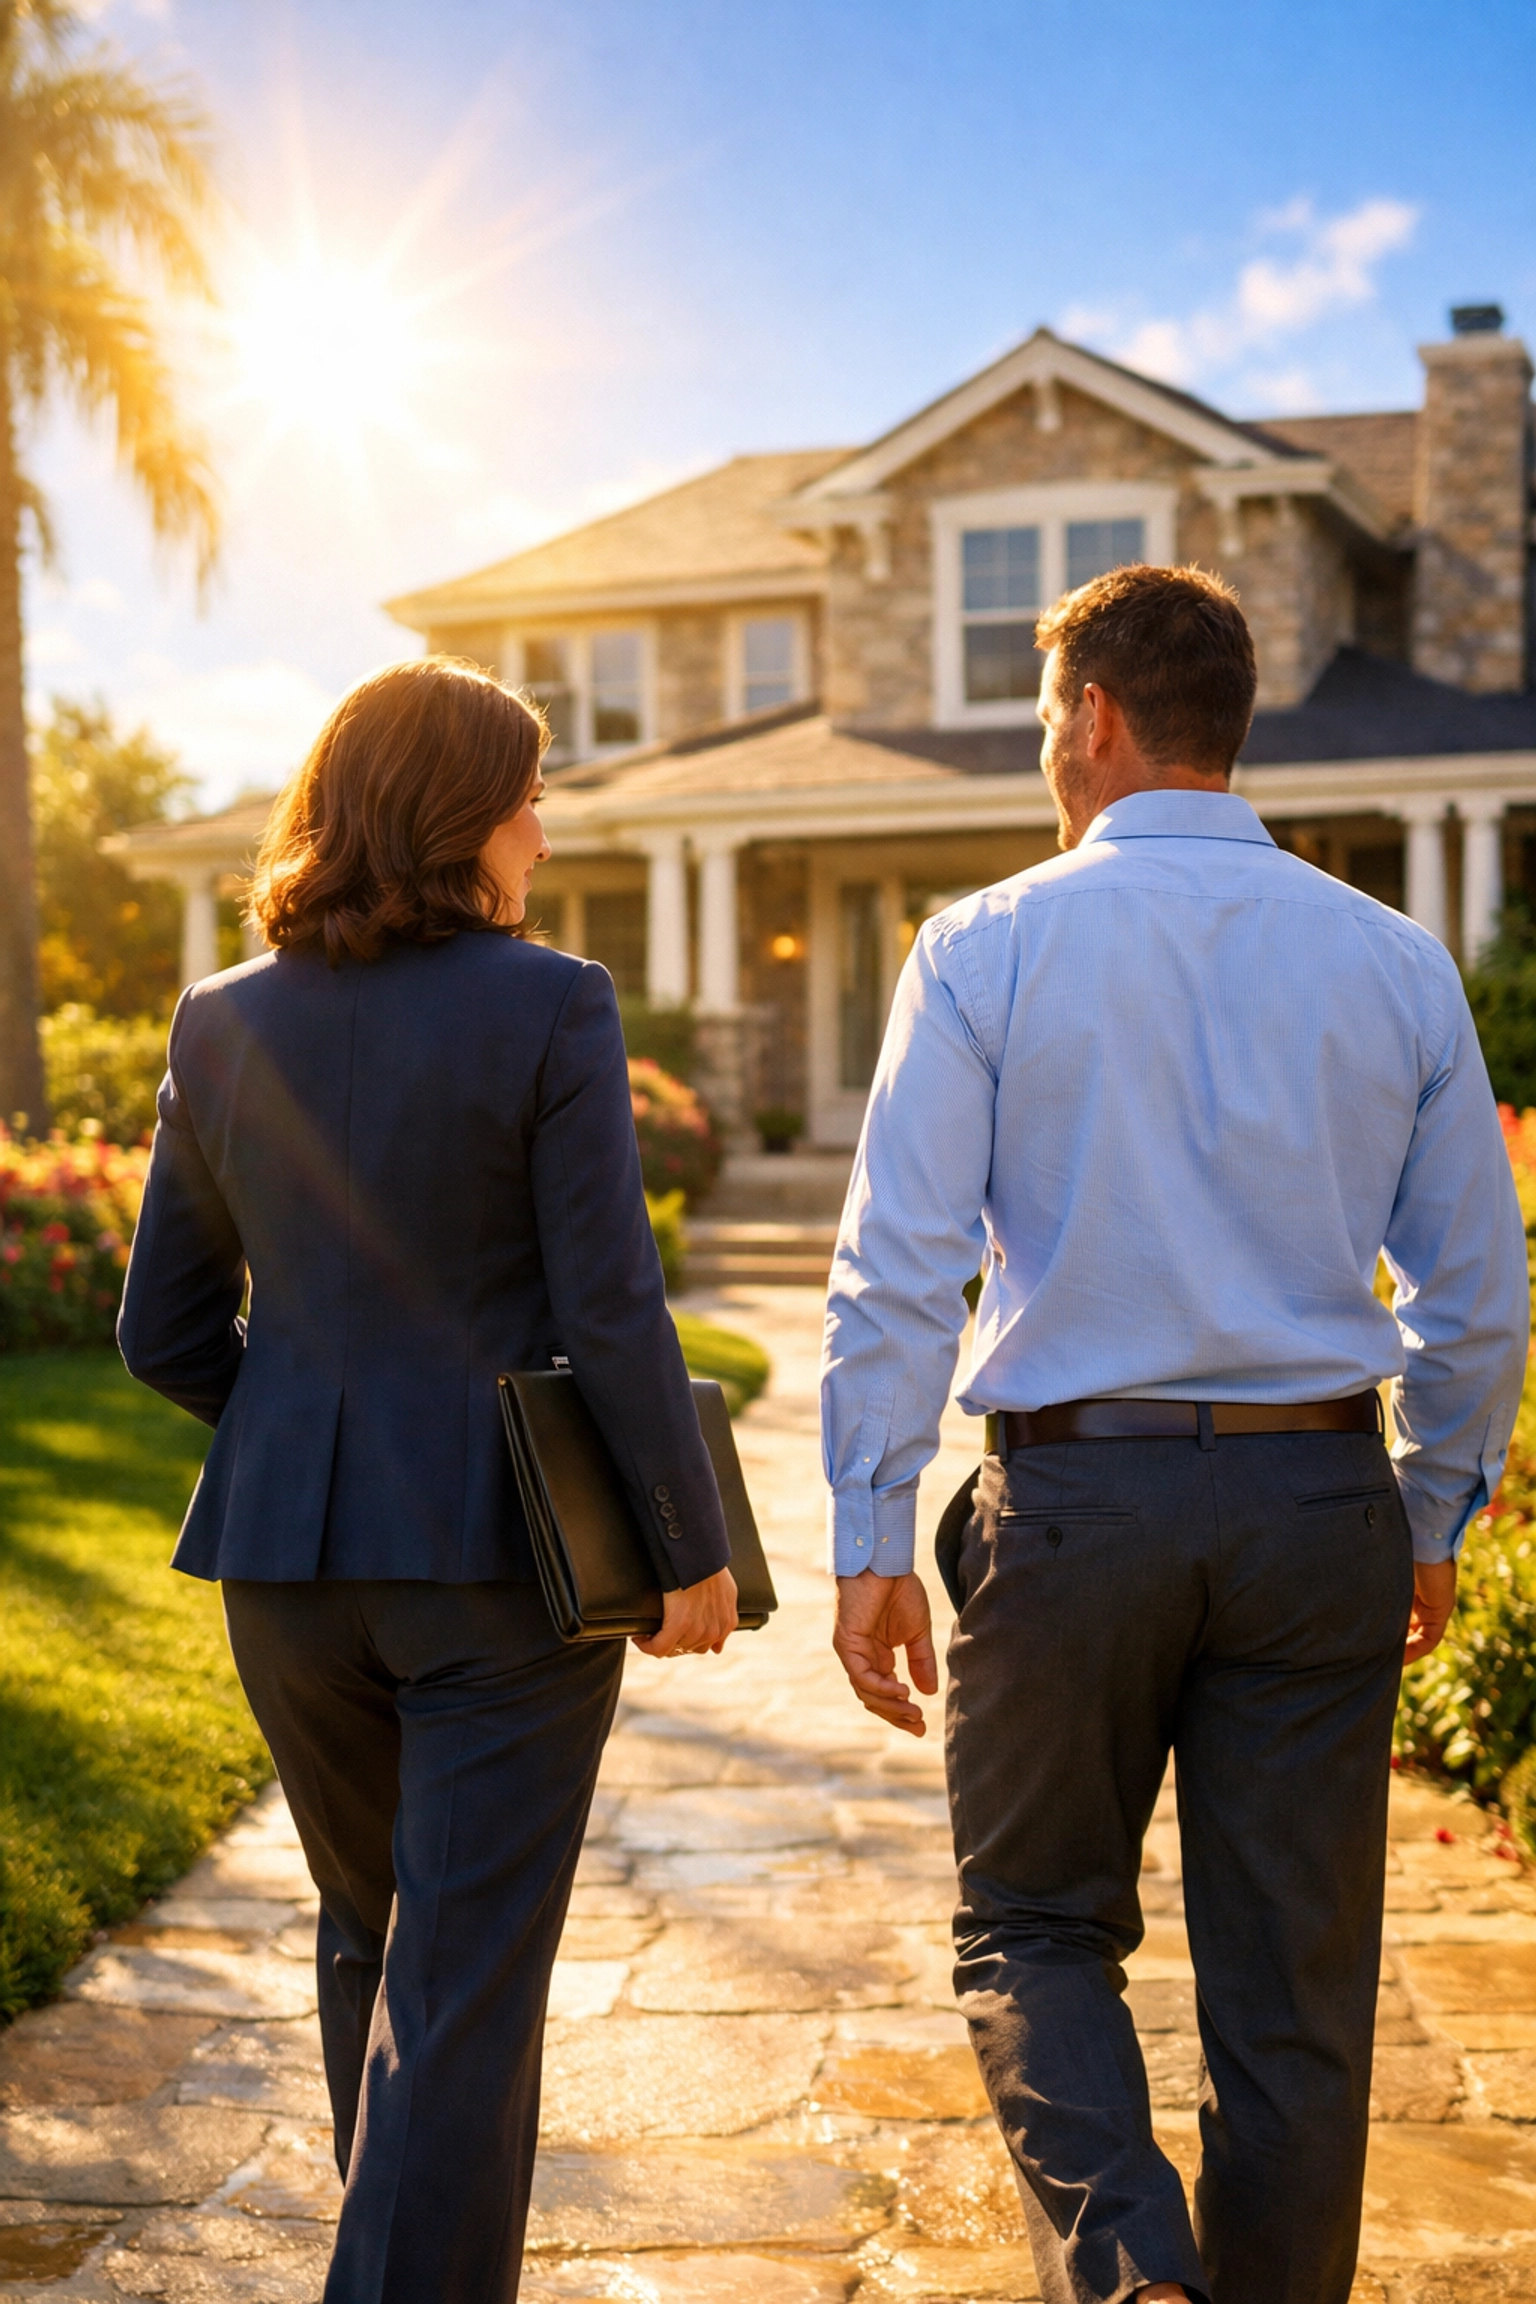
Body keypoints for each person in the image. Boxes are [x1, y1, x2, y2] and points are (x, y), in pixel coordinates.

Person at [821, 564, 1528, 2304]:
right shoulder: (1396, 959)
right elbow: (1477, 1291)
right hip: (1316, 1510)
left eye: (1048, 713)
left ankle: (1136, 2279)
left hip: (1071, 1510)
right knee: (1297, 1991)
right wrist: (1433, 1511)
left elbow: (898, 1272)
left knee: (1033, 1926)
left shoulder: (984, 945)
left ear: (1099, 718)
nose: (1046, 748)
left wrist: (865, 1533)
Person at [118, 657, 738, 2304]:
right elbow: (610, 1303)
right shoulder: (553, 1001)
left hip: (284, 1575)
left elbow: (160, 1326)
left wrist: (290, 1433)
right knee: (459, 1980)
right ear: (464, 812)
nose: (546, 823)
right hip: (497, 1570)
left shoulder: (221, 1016)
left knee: (378, 1938)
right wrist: (690, 1545)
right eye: (530, 790)